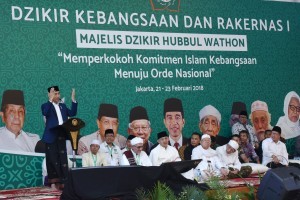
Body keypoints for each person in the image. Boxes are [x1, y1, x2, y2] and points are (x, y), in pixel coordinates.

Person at [41, 86, 77, 190]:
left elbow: (72, 113)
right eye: (54, 93)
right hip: (51, 134)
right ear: (49, 94)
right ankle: (53, 183)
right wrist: (50, 100)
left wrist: (73, 99)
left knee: (62, 159)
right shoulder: (45, 105)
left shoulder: (63, 106)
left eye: (58, 93)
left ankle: (63, 182)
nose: (57, 96)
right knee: (52, 159)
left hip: (61, 133)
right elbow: (45, 112)